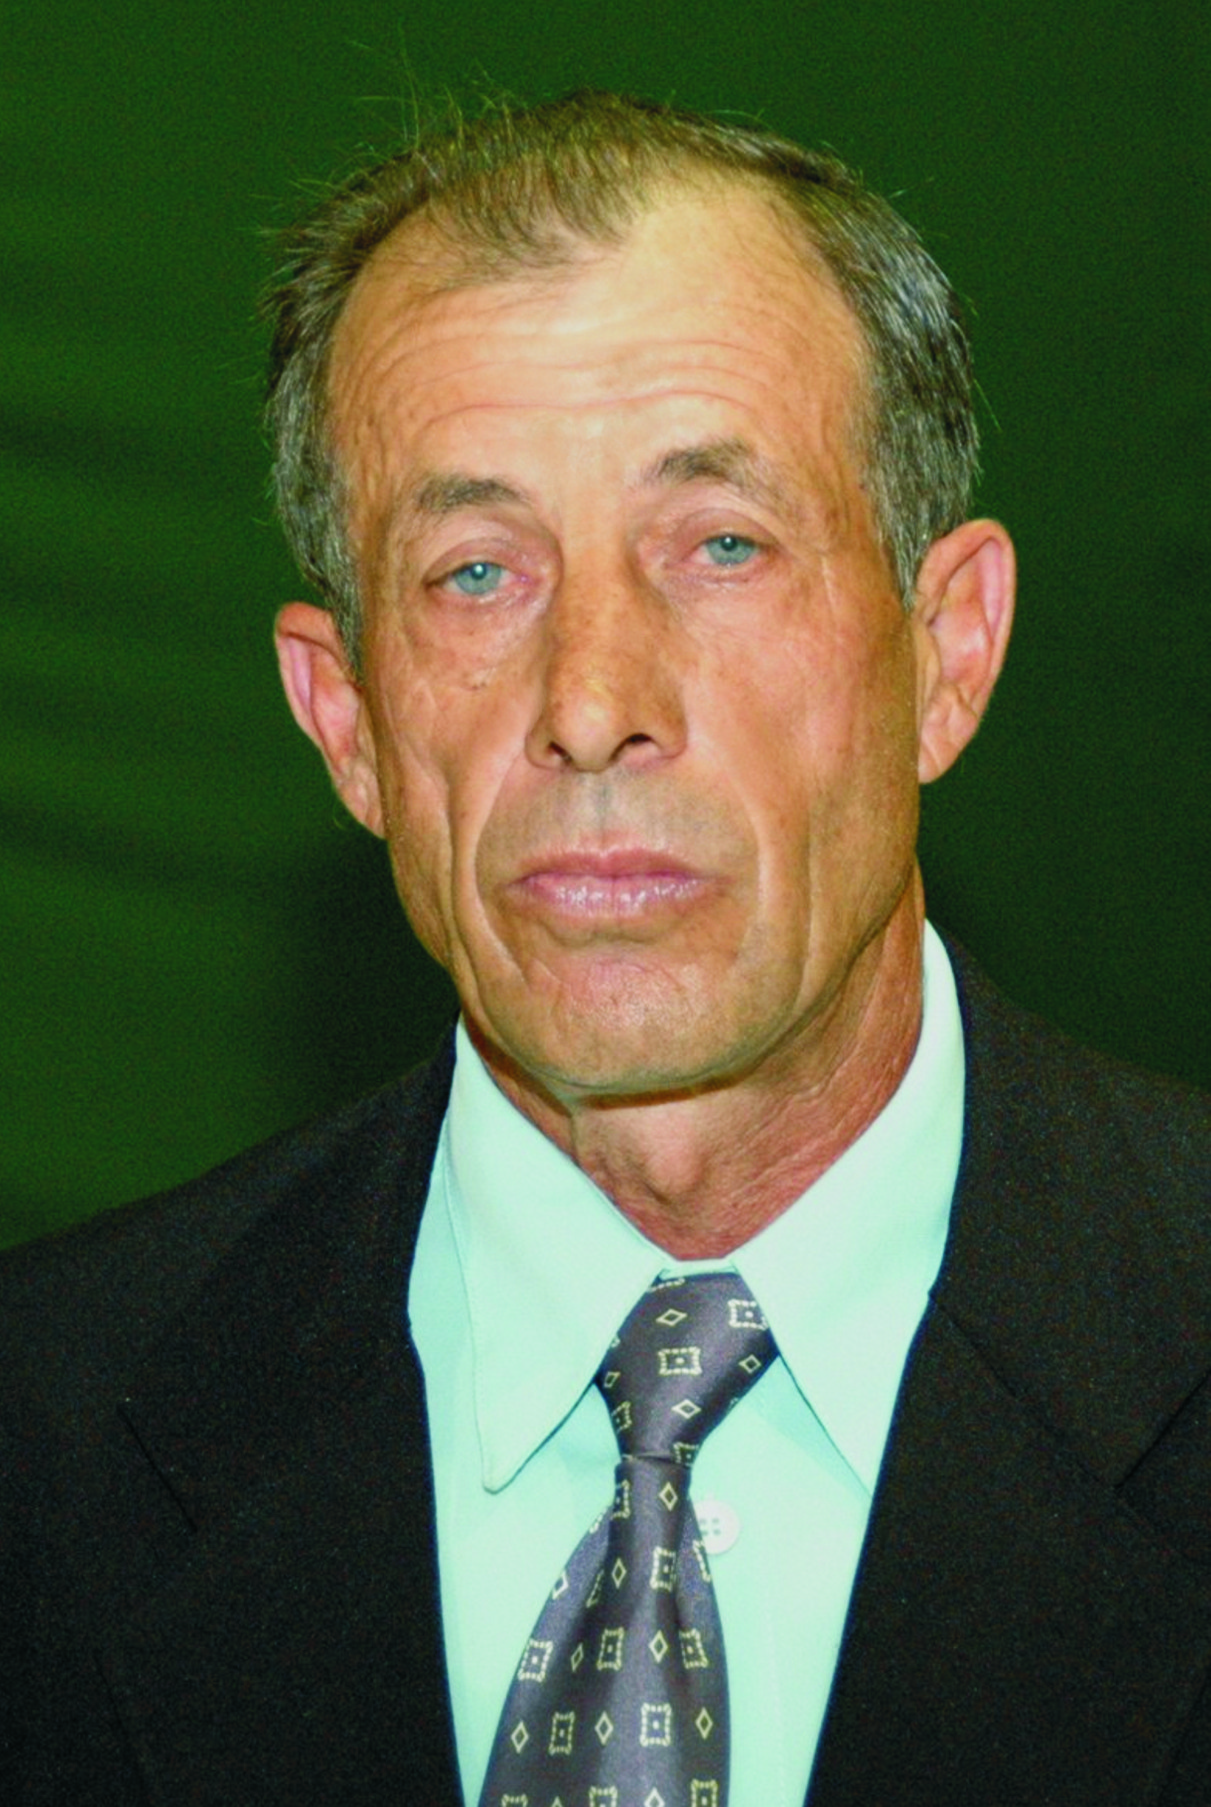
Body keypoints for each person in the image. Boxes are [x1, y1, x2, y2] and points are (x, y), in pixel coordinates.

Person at [2, 90, 1208, 1807]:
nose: (590, 702)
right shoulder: (46, 1438)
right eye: (474, 574)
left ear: (945, 653)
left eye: (719, 546)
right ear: (345, 720)